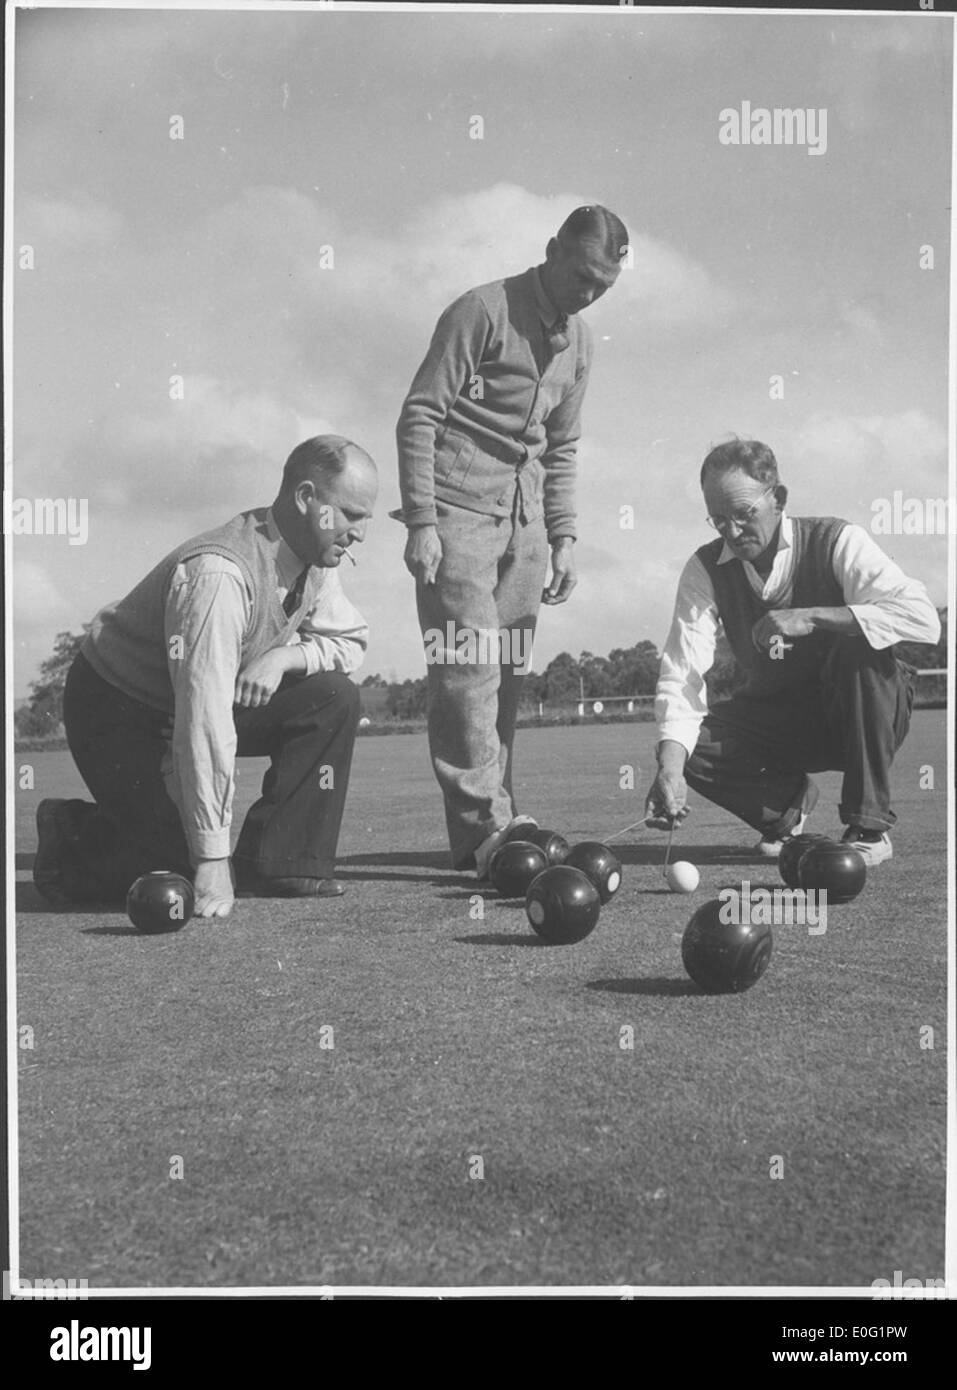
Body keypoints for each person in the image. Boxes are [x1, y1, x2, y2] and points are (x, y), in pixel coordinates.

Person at [33, 435, 378, 917]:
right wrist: (212, 857)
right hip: (117, 706)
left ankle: (281, 863)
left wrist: (282, 659)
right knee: (178, 867)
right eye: (352, 515)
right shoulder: (218, 577)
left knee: (333, 696)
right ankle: (70, 834)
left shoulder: (318, 559)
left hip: (189, 697)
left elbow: (350, 642)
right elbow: (204, 720)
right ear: (305, 499)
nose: (360, 533)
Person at [396, 204, 629, 876]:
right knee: (466, 670)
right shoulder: (480, 310)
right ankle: (486, 830)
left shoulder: (581, 343)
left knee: (506, 677)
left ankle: (499, 816)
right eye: (581, 276)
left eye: (602, 288)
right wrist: (421, 523)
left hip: (524, 523)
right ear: (552, 249)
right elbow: (419, 416)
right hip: (455, 512)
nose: (587, 295)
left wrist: (564, 537)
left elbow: (563, 447)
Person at [644, 438, 941, 865]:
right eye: (719, 519)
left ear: (778, 498)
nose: (732, 531)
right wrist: (670, 768)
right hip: (782, 720)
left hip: (862, 711)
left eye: (744, 514)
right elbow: (682, 674)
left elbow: (922, 619)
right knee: (690, 742)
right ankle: (787, 809)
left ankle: (868, 827)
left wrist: (815, 617)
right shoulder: (704, 568)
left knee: (861, 648)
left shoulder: (836, 540)